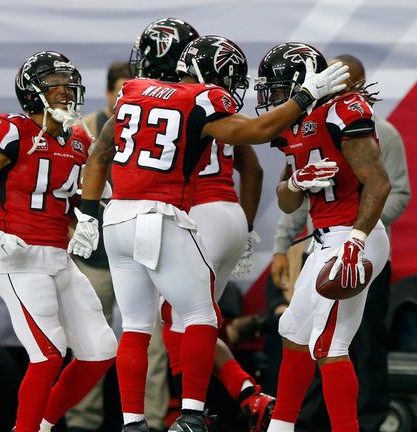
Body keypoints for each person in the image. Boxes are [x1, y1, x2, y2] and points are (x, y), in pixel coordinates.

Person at [69, 32, 349, 431]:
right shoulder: (202, 100)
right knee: (199, 315)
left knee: (136, 326)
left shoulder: (132, 91)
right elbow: (257, 135)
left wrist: (86, 215)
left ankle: (133, 422)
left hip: (117, 218)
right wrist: (305, 96)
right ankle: (193, 413)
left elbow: (99, 155)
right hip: (168, 215)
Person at [0, 51, 117, 432]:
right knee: (48, 354)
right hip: (19, 259)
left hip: (59, 258)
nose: (65, 90)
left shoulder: (78, 140)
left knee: (101, 350)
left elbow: (66, 203)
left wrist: (85, 219)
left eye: (69, 82)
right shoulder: (11, 131)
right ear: (31, 91)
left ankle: (40, 424)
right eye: (55, 83)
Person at [127, 17, 276, 431]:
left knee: (180, 319)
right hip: (230, 213)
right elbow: (253, 170)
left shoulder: (156, 99)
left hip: (193, 216)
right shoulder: (214, 99)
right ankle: (245, 396)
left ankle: (191, 413)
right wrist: (246, 227)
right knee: (200, 320)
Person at [270, 53, 412, 431]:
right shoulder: (300, 123)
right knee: (293, 332)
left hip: (353, 236)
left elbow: (382, 185)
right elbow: (287, 201)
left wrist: (356, 240)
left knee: (333, 344)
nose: (278, 96)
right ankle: (280, 426)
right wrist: (296, 183)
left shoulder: (348, 114)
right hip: (321, 240)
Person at [70, 60, 170, 432]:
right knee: (88, 342)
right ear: (109, 92)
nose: (130, 96)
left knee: (152, 344)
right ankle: (82, 422)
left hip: (143, 253)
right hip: (95, 255)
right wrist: (72, 230)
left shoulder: (157, 125)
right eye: (123, 90)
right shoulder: (83, 131)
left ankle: (153, 420)